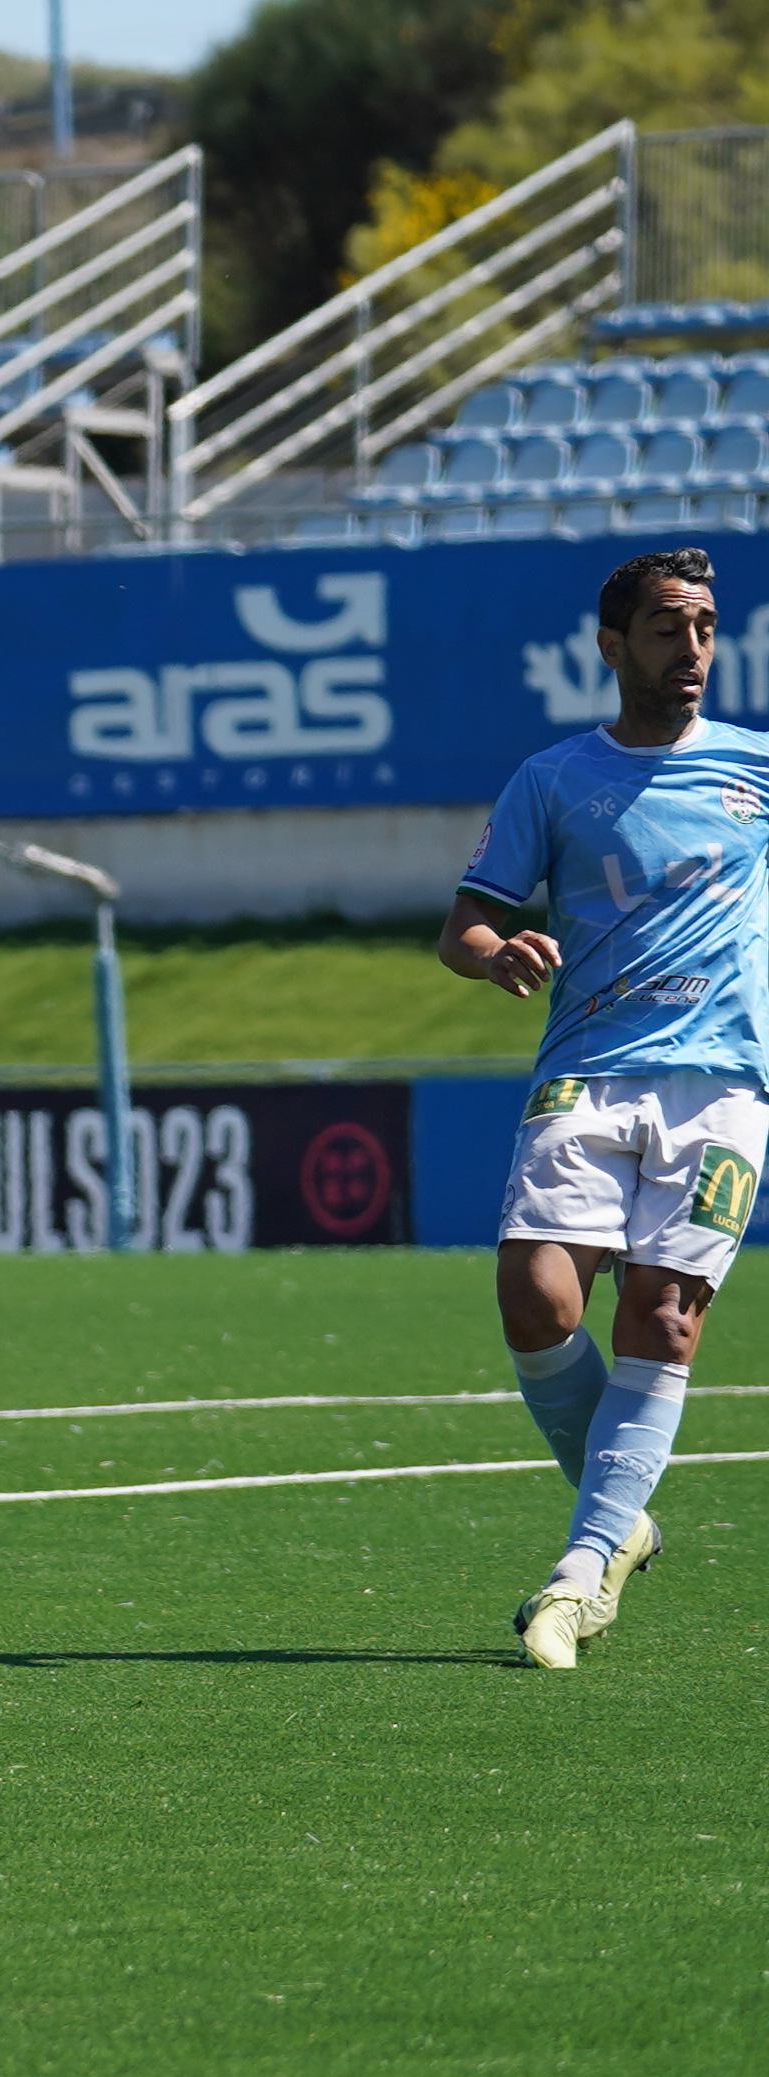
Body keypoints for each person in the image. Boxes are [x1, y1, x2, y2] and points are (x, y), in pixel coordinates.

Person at [439, 546, 769, 1669]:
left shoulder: (757, 770)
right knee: (535, 1297)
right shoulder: (553, 777)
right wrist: (496, 956)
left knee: (663, 1318)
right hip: (587, 1067)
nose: (694, 649)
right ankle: (624, 1519)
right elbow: (464, 924)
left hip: (723, 1083)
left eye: (709, 626)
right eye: (671, 626)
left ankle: (581, 1574)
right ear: (612, 644)